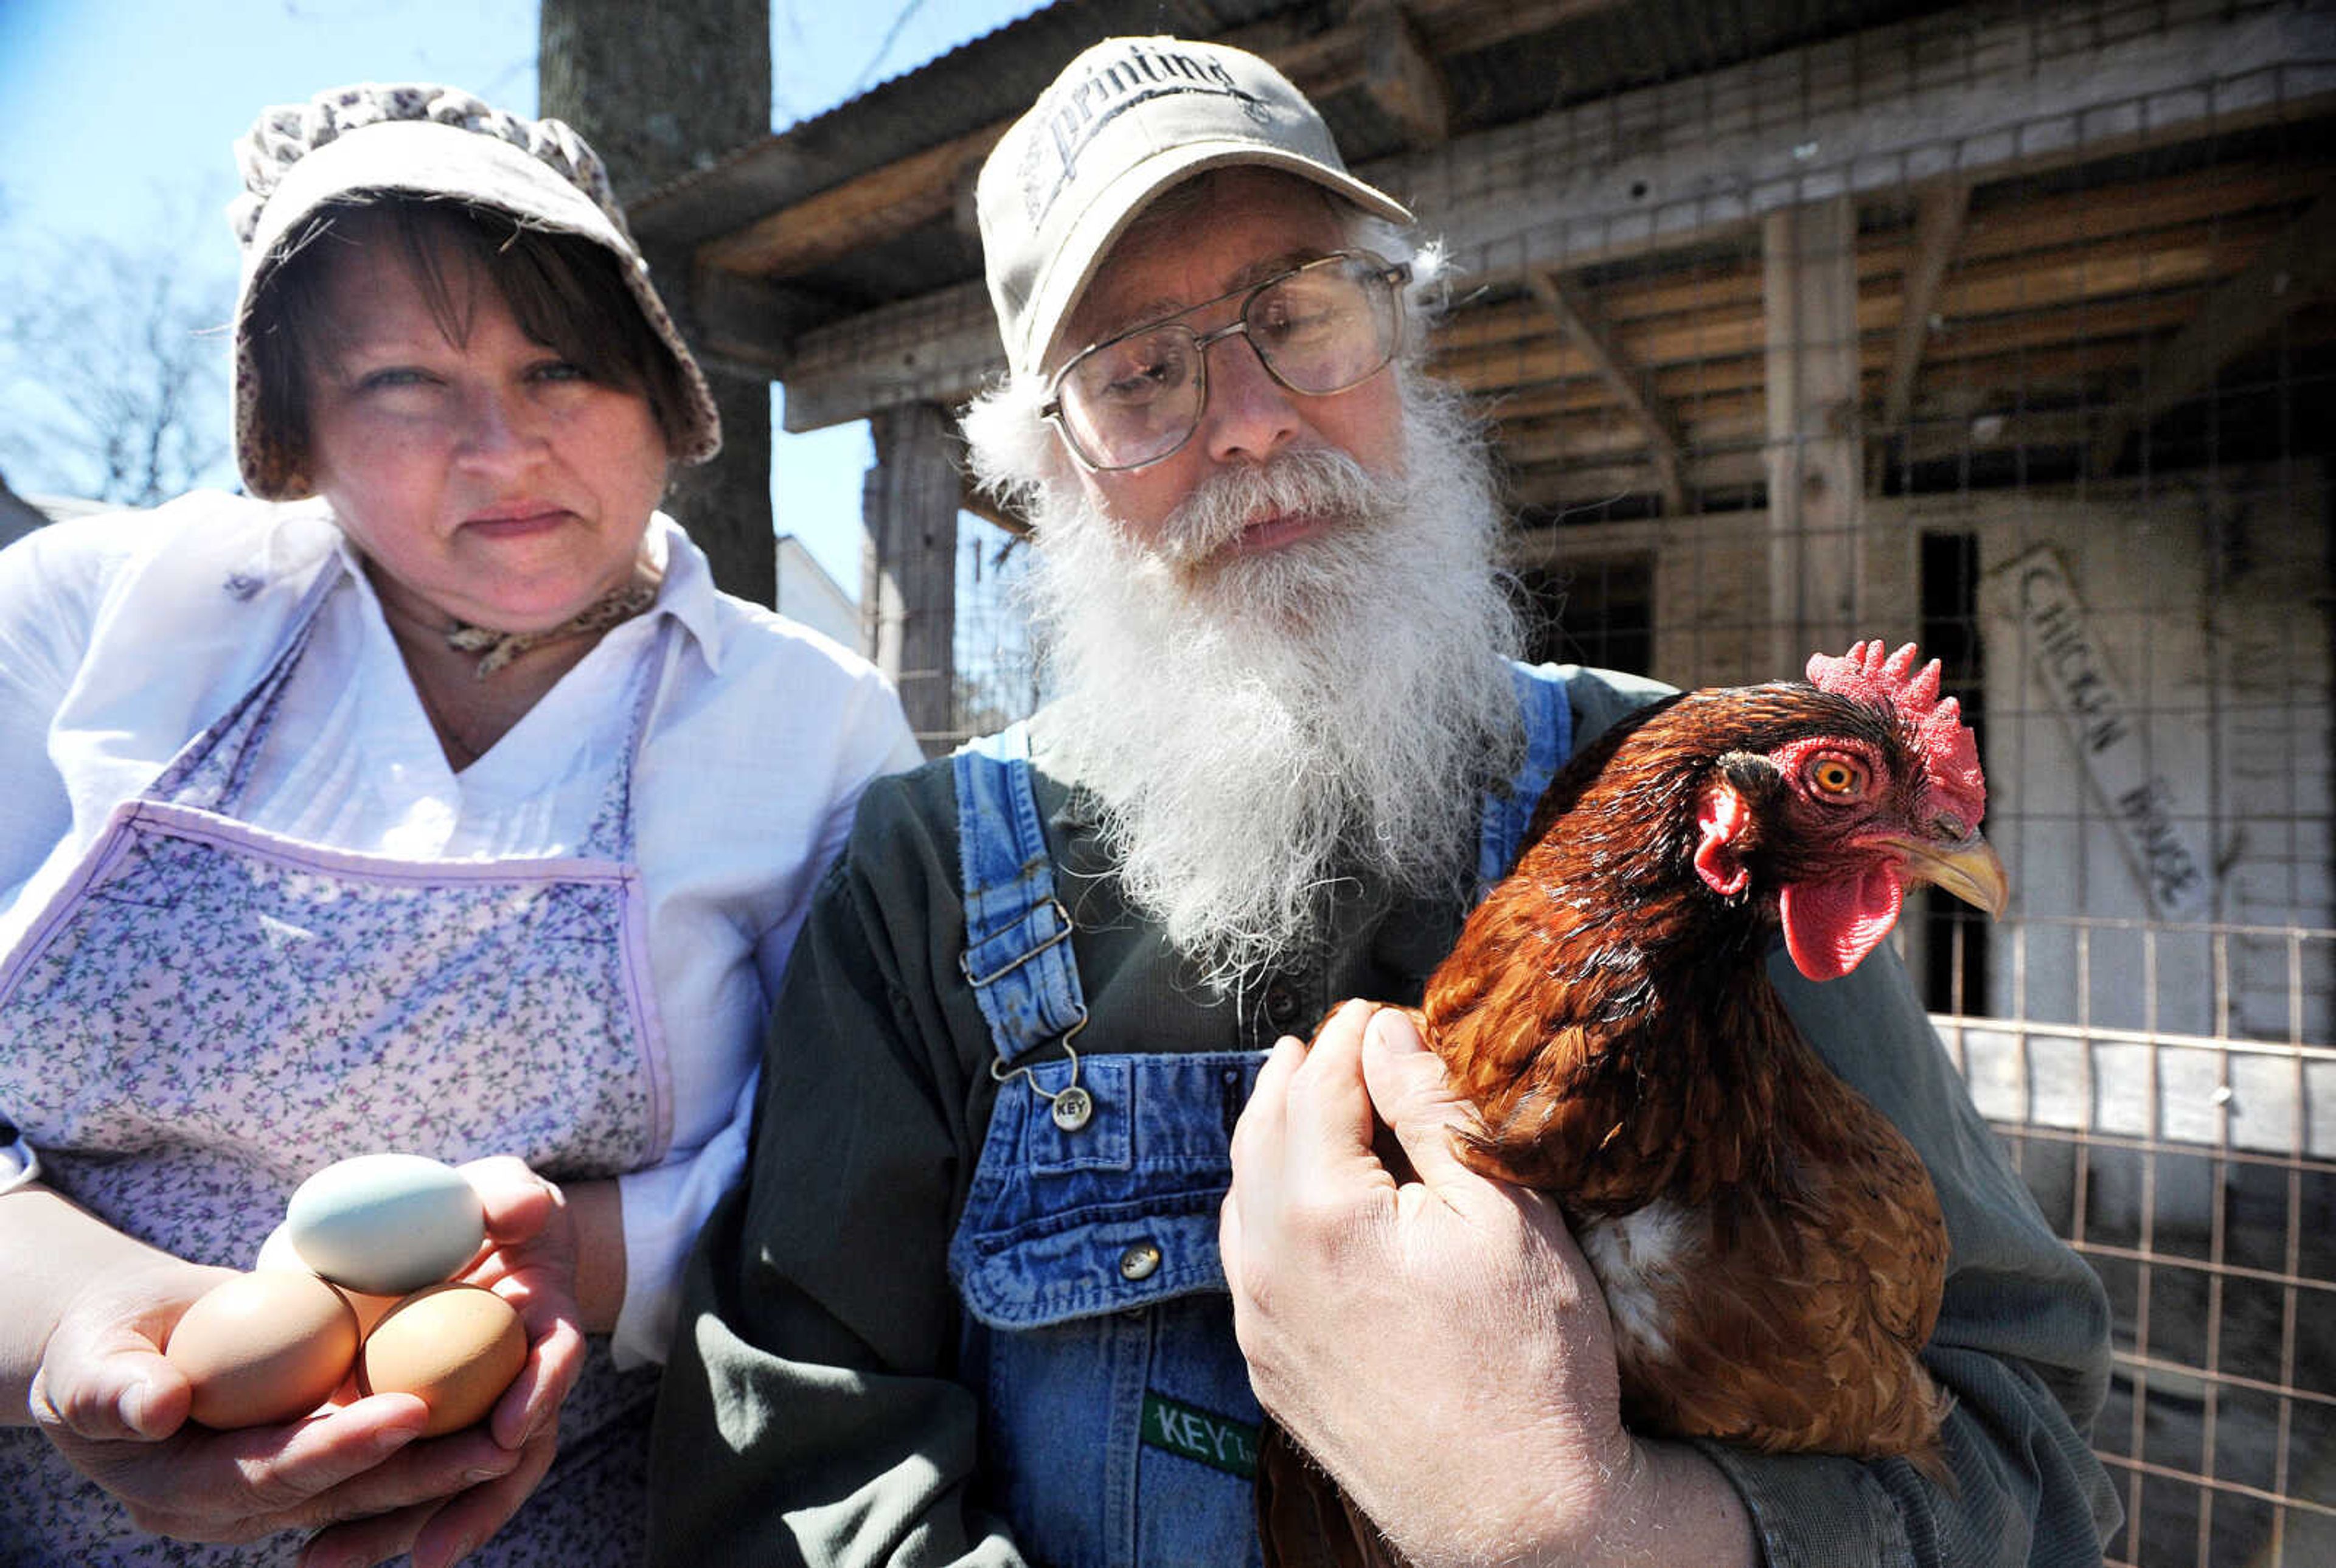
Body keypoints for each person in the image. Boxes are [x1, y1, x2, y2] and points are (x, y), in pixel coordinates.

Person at [648, 35, 2122, 1567]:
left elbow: (2025, 1449)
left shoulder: (1701, 810)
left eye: (1299, 314)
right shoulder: (927, 881)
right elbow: (801, 1488)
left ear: (1400, 346)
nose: (1251, 417)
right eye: (1141, 371)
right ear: (1054, 469)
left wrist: (1596, 1526)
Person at [0, 84, 921, 1567]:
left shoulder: (803, 721)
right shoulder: (98, 614)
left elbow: (846, 1164)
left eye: (563, 366)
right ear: (292, 426)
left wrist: (577, 1267)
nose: (501, 447)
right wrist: (78, 1327)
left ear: (665, 399)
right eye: (400, 383)